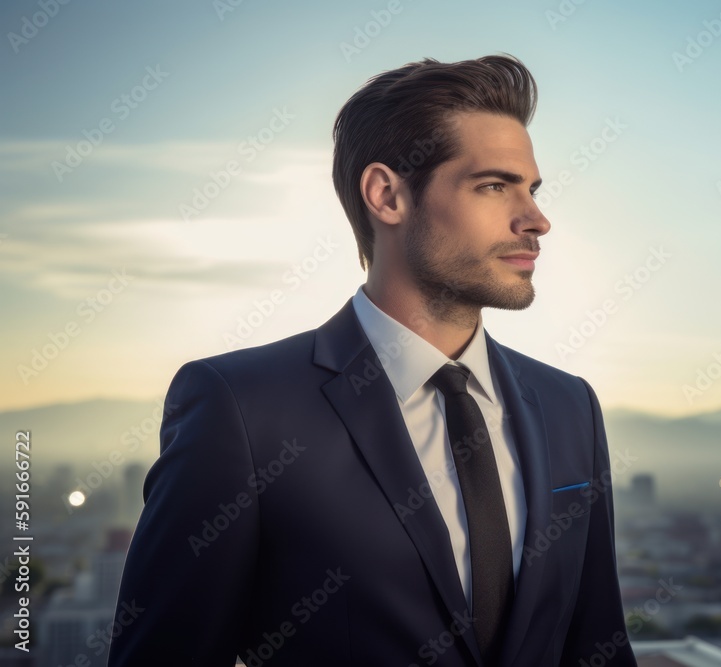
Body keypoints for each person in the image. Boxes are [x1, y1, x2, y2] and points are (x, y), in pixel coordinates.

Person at [109, 53, 637, 667]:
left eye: (532, 188)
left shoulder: (570, 406)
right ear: (387, 195)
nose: (537, 219)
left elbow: (599, 645)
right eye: (494, 186)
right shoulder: (242, 409)